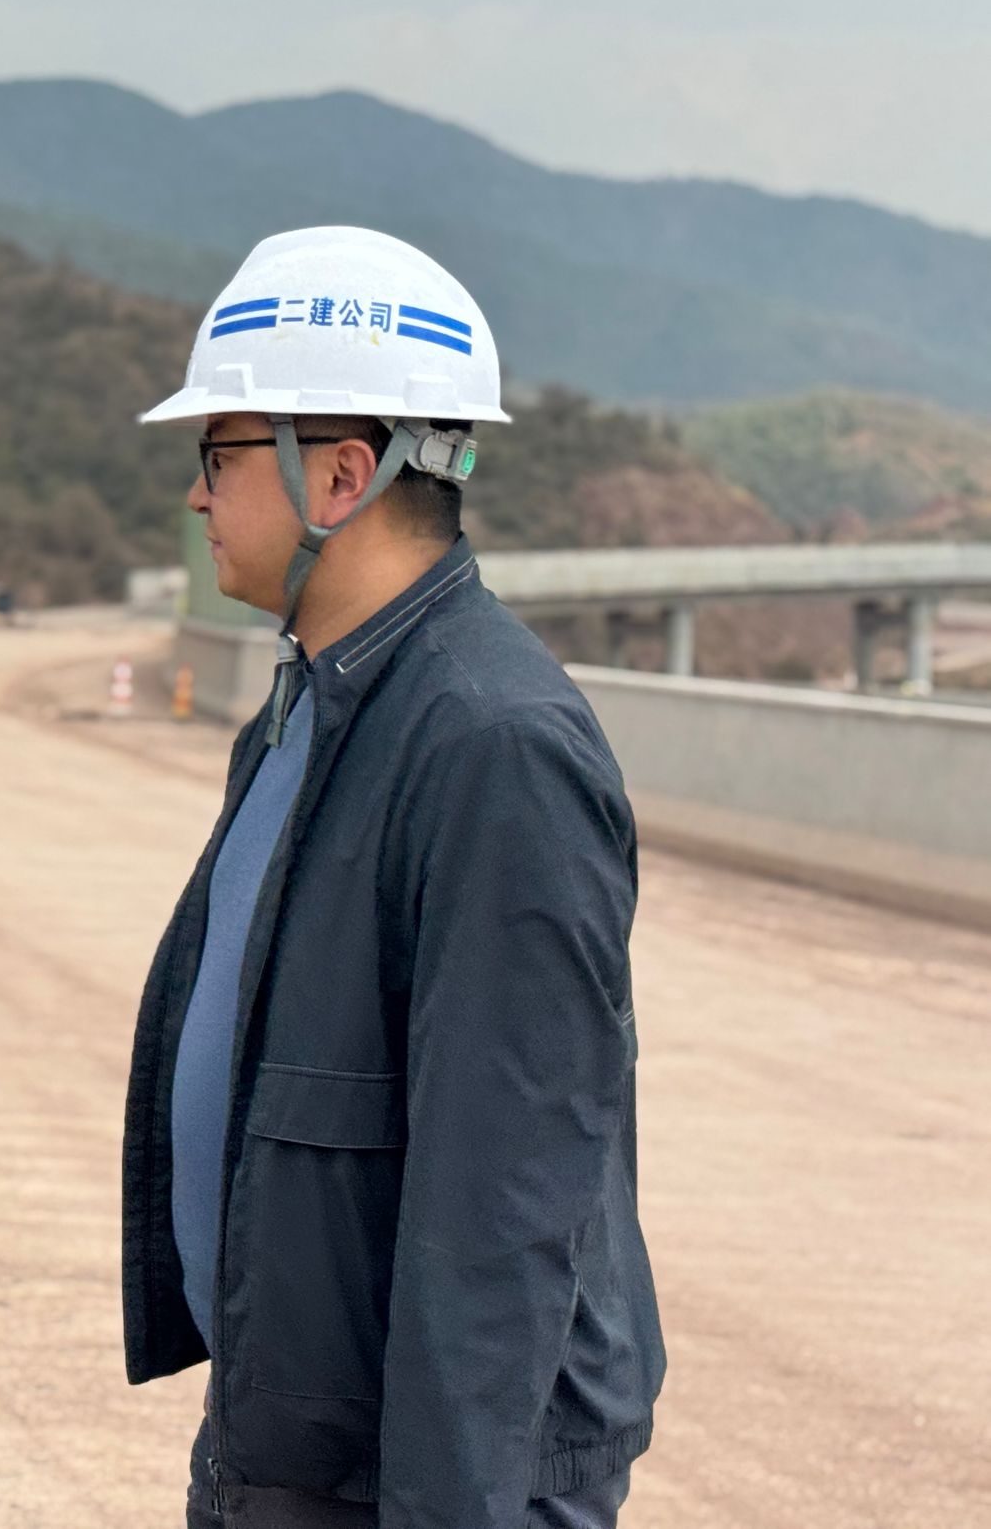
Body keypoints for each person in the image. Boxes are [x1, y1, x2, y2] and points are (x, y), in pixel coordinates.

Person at [120, 227, 663, 1528]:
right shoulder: (315, 707)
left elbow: (504, 1201)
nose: (196, 494)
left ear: (341, 473)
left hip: (417, 1475)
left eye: (219, 453)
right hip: (299, 1441)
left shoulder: (493, 744)